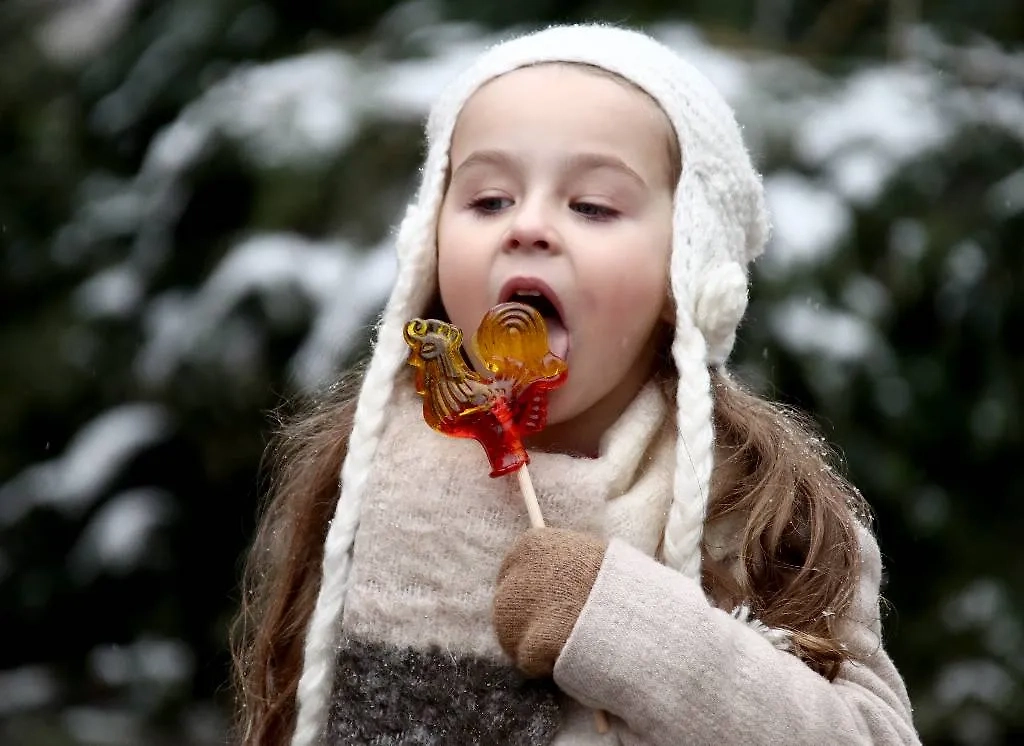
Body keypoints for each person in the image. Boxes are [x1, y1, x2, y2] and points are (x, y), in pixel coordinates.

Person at [232, 23, 920, 745]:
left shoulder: (756, 509)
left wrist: (629, 627)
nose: (528, 226)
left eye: (592, 206)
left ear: (682, 275)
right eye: (489, 200)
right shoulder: (363, 492)